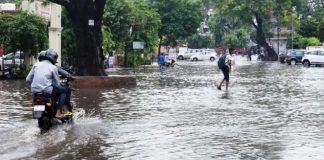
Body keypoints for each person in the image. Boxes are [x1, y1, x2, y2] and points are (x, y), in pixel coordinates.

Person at [26, 49, 69, 118]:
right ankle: (58, 112)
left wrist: (35, 85)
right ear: (53, 58)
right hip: (46, 91)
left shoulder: (36, 65)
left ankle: (35, 110)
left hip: (35, 91)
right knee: (64, 90)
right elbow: (57, 84)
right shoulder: (53, 67)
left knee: (35, 96)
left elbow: (28, 80)